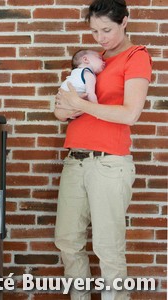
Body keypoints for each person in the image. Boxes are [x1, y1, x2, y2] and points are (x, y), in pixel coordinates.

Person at [53, 0, 152, 299]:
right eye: (94, 31)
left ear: (125, 21)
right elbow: (60, 109)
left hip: (109, 164)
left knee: (108, 248)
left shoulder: (137, 56)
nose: (100, 38)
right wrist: (65, 108)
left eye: (106, 30)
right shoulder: (92, 61)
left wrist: (81, 105)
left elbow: (129, 114)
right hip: (75, 159)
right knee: (67, 241)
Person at [55, 49, 105, 121]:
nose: (103, 62)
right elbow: (90, 94)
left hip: (62, 105)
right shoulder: (88, 74)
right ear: (85, 59)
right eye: (99, 58)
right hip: (69, 103)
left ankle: (70, 114)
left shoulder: (75, 73)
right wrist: (97, 111)